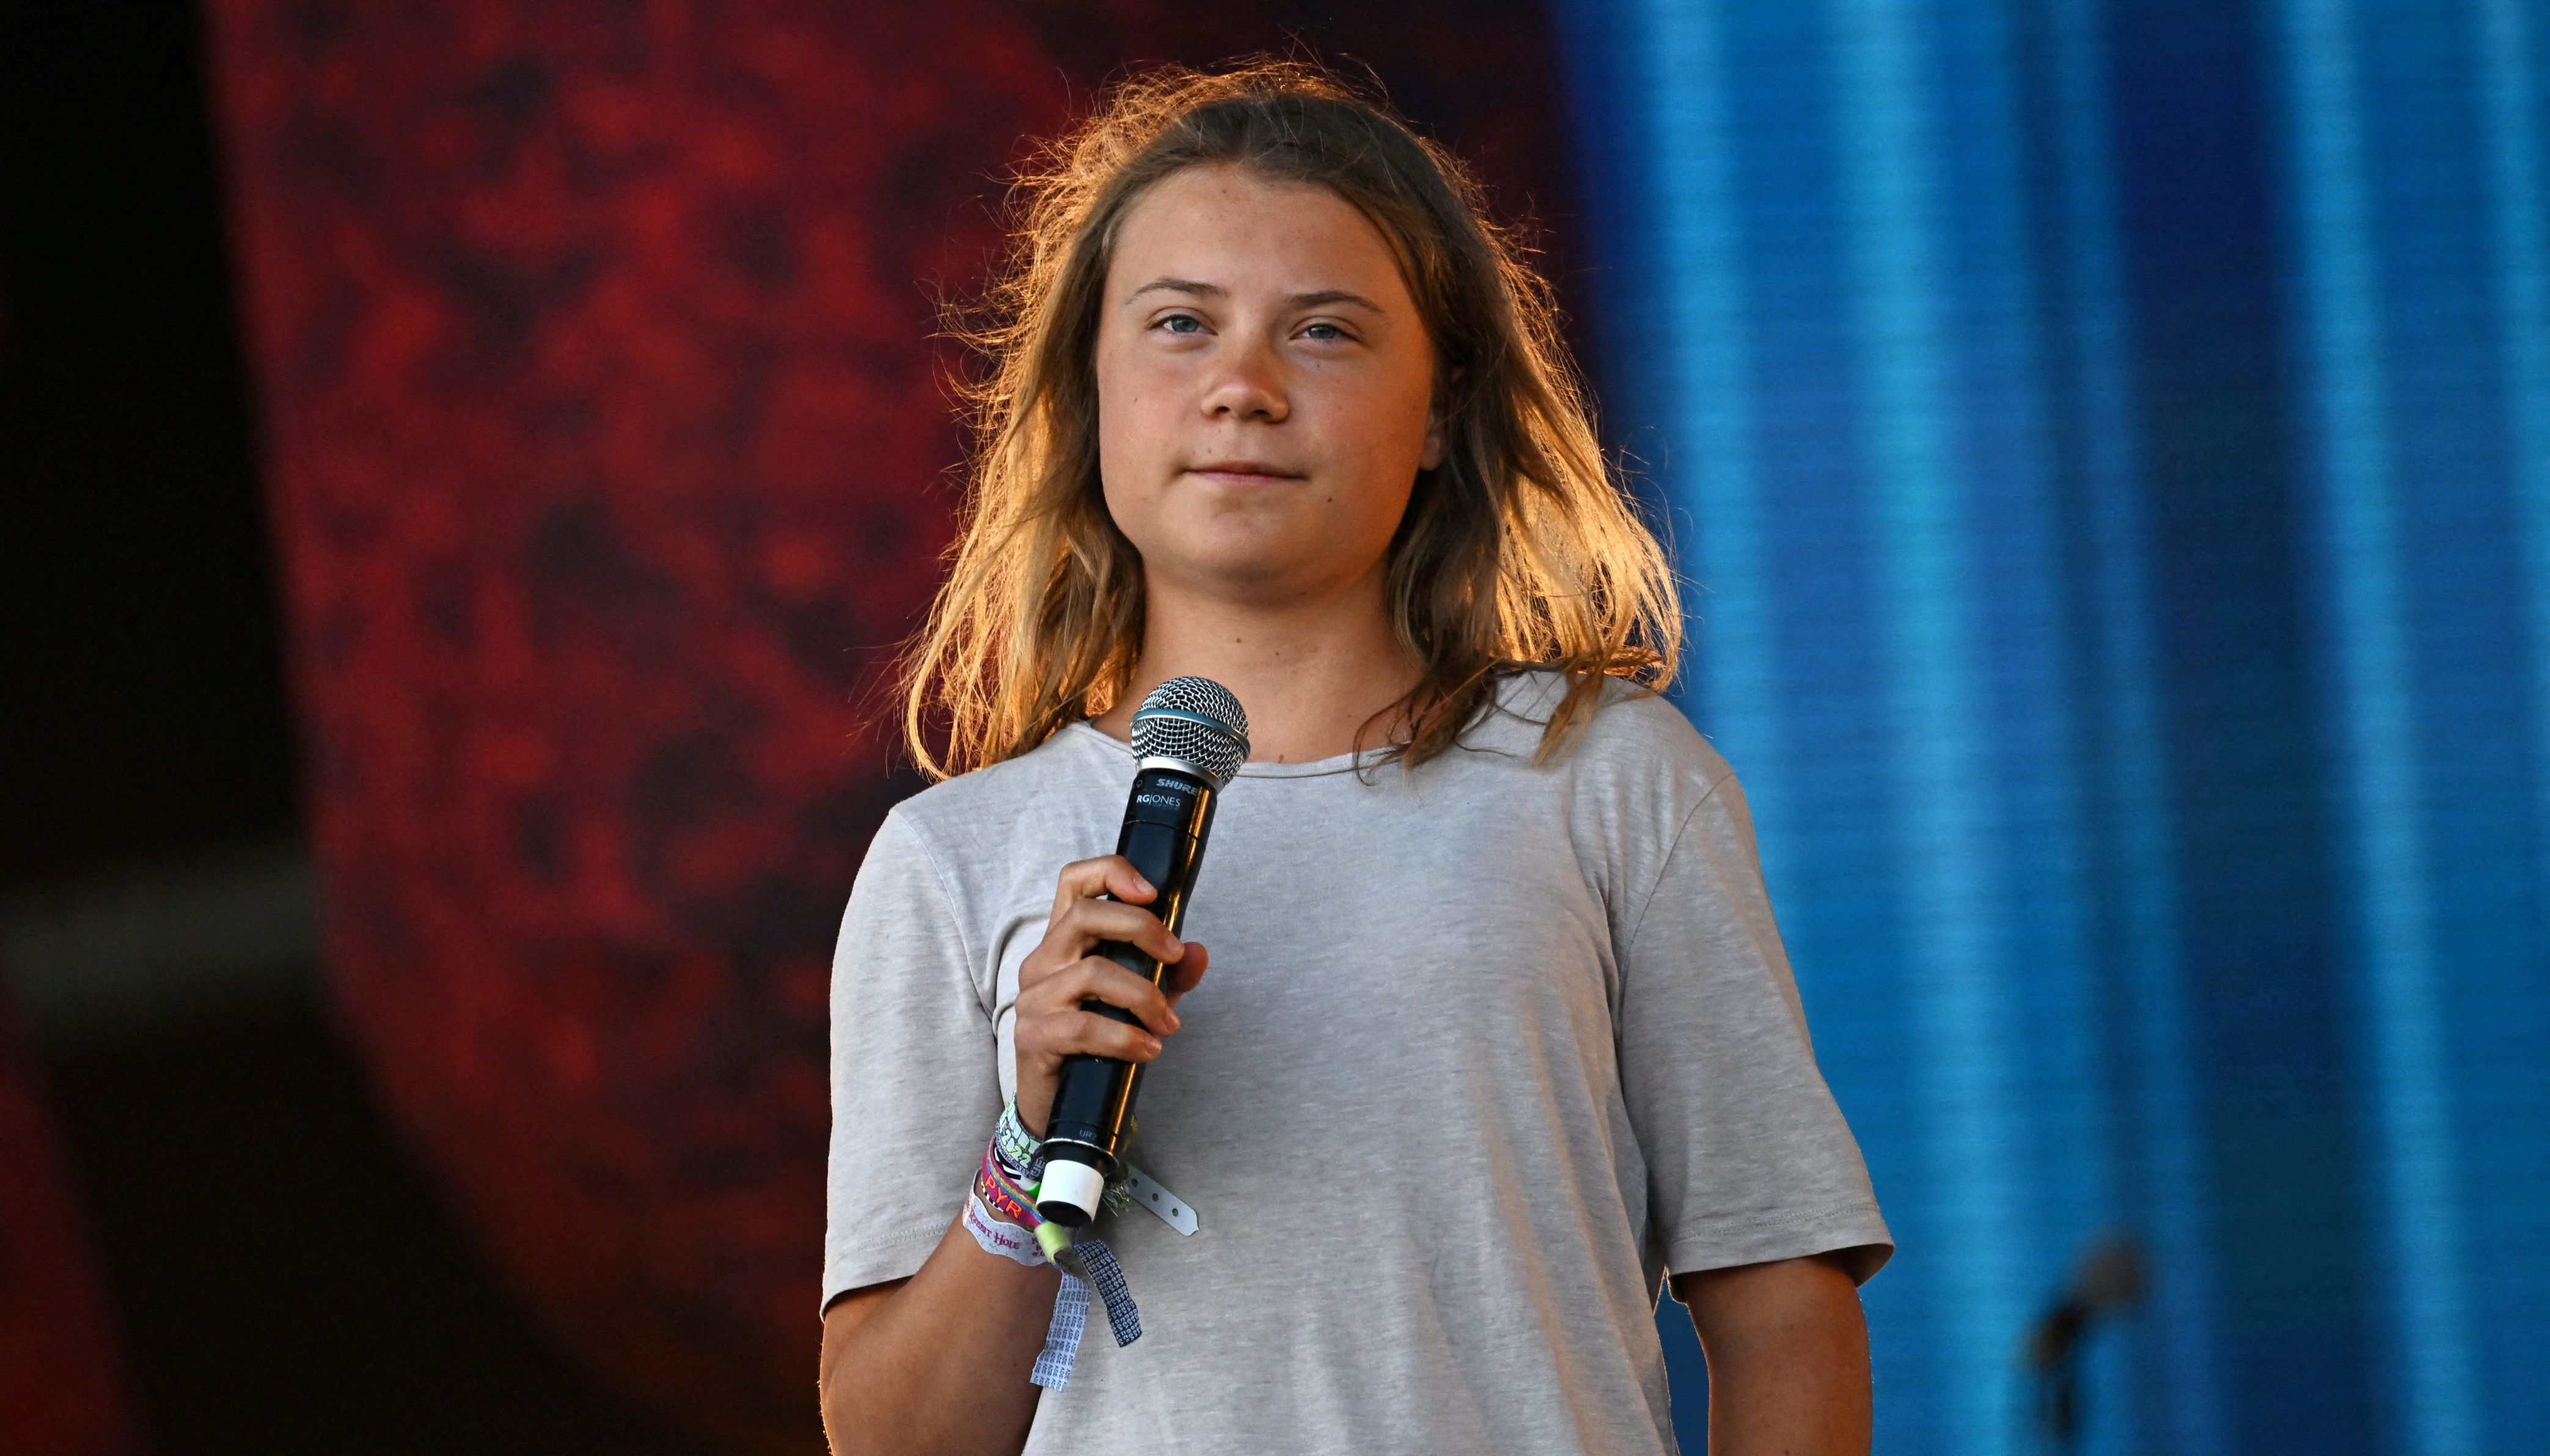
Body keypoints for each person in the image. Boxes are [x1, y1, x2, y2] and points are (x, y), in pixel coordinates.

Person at [816, 60, 1890, 1456]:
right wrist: (1022, 1153)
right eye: (1179, 325)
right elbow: (896, 1437)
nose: (1243, 388)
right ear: (1088, 399)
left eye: (1322, 332)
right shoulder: (948, 862)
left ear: (1442, 409)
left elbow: (1781, 1304)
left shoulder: (1610, 784)